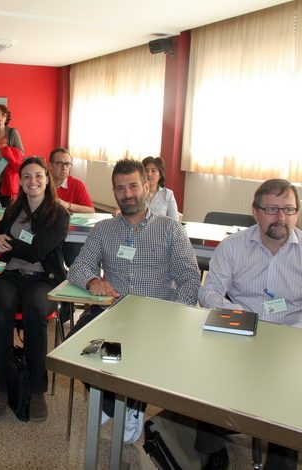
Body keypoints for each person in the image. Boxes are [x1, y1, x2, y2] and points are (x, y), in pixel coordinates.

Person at [67, 158, 200, 444]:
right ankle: (114, 403)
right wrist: (93, 281)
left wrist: (174, 315)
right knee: (76, 347)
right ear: (114, 192)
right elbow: (79, 267)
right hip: (112, 311)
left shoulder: (170, 229)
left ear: (147, 187)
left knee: (130, 352)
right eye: (120, 188)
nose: (127, 194)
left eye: (133, 186)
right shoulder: (103, 229)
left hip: (154, 313)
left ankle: (130, 403)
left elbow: (190, 278)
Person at [197, 178, 301, 470]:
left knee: (290, 394)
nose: (281, 217)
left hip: (291, 340)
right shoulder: (233, 246)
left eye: (288, 209)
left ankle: (281, 460)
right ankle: (214, 451)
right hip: (240, 333)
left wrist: (292, 334)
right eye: (272, 209)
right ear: (255, 212)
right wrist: (238, 312)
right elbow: (208, 292)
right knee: (205, 373)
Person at [0, 156, 69, 422]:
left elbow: (37, 251)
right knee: (1, 310)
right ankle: (0, 388)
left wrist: (8, 243)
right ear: (20, 181)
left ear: (47, 179)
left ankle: (36, 389)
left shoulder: (58, 214)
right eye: (27, 176)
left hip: (43, 279)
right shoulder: (13, 209)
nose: (33, 181)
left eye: (38, 175)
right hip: (9, 275)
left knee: (35, 311)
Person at [48, 147, 94, 266]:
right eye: (59, 163)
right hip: (47, 232)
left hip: (70, 233)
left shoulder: (77, 184)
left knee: (74, 256)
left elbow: (90, 211)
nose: (64, 168)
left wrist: (67, 205)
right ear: (50, 165)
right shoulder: (42, 183)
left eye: (67, 164)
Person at [142, 156, 179, 220]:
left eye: (153, 171)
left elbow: (174, 221)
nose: (149, 174)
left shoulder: (168, 194)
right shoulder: (136, 193)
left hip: (162, 226)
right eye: (146, 170)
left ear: (160, 175)